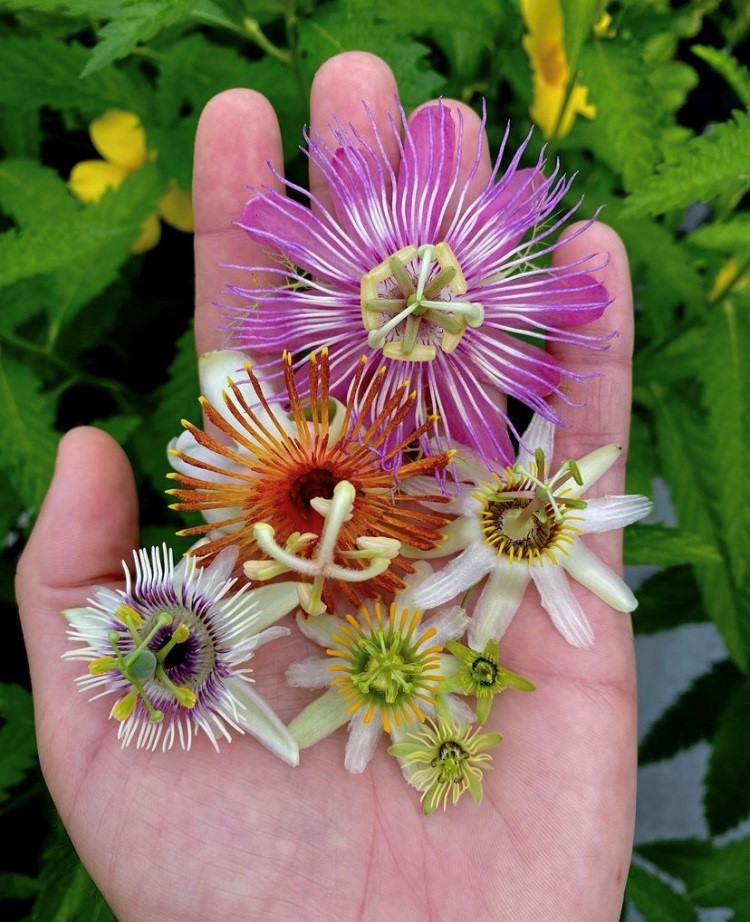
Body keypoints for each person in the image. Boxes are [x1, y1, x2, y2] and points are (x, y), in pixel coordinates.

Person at [15, 52, 637, 921]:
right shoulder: (358, 419)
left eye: (422, 307)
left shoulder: (439, 428)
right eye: (414, 302)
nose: (422, 304)